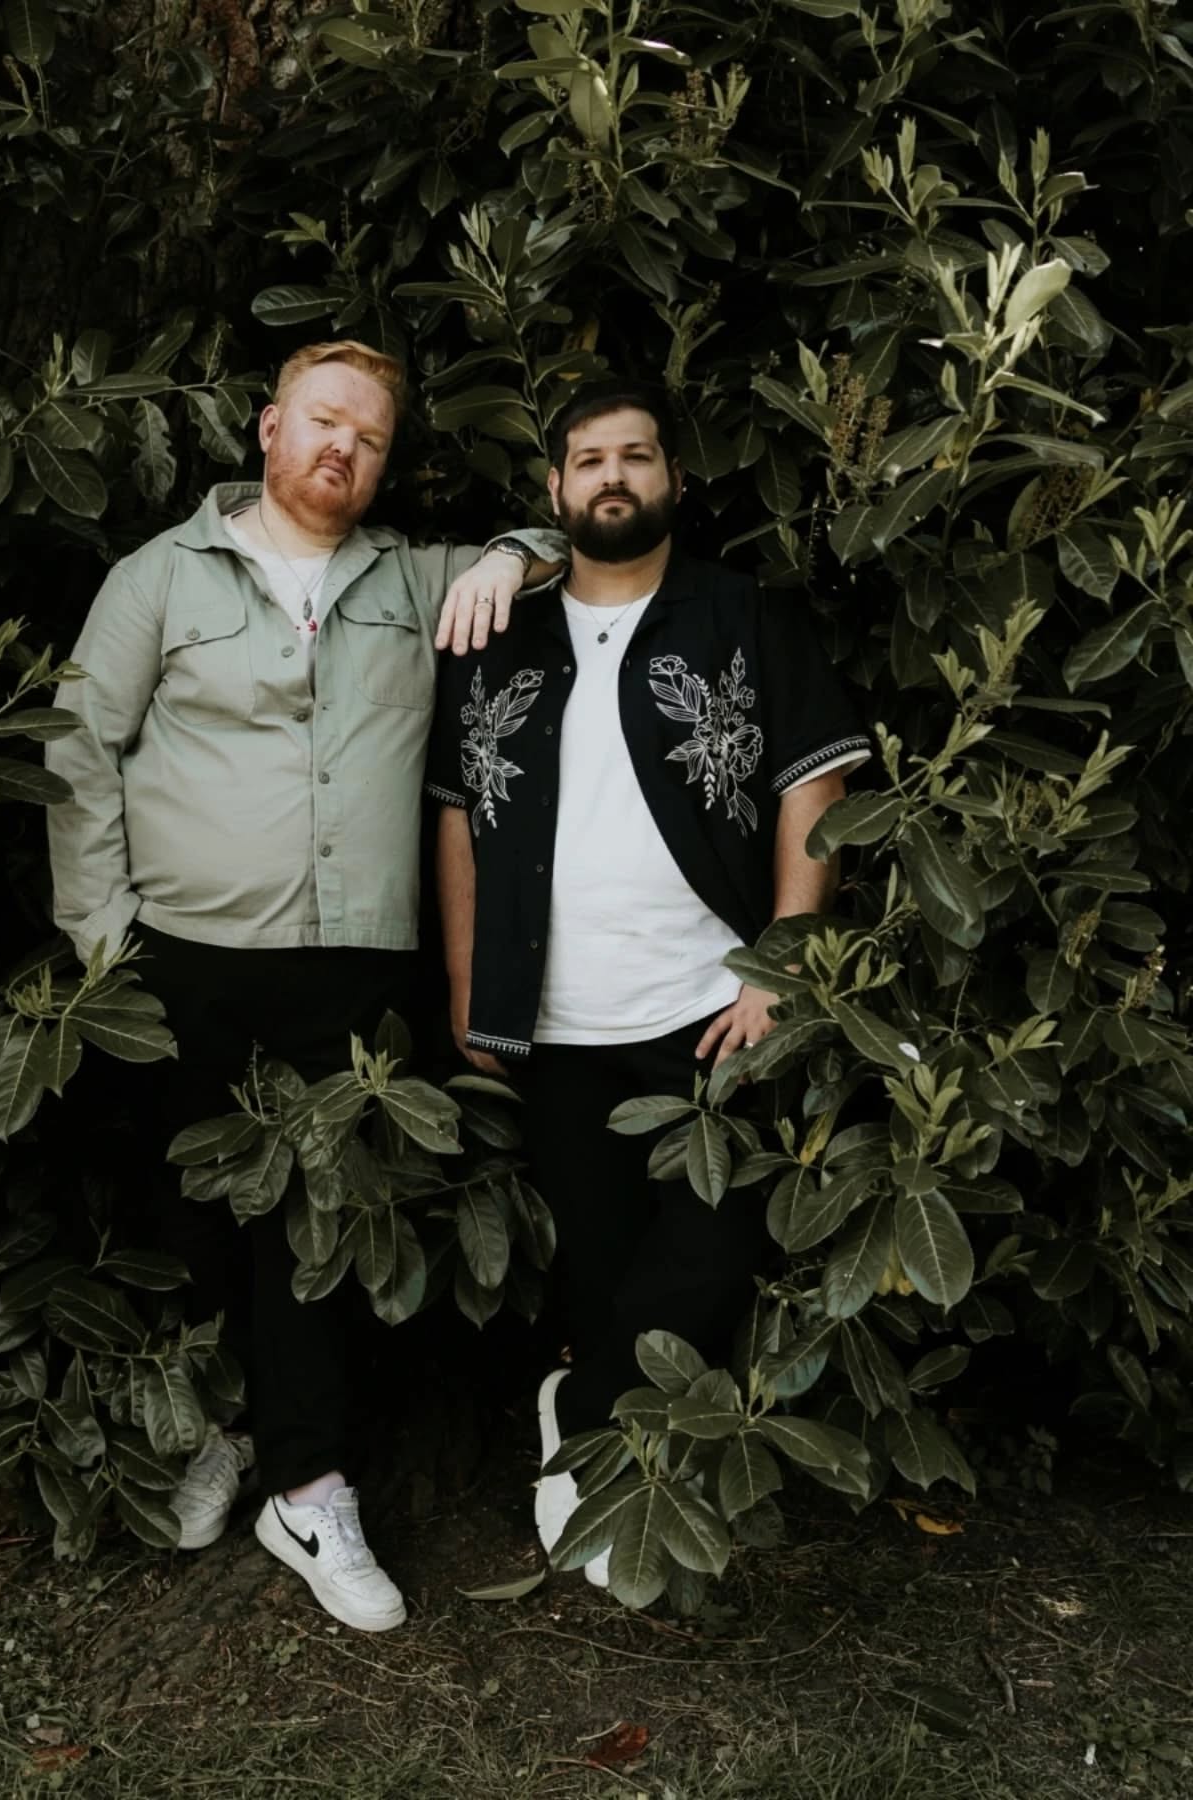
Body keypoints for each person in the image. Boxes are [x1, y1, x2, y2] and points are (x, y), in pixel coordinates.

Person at [46, 339, 565, 1632]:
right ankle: (217, 1434)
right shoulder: (156, 579)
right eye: (325, 421)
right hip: (182, 961)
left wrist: (510, 556)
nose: (344, 447)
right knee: (192, 1221)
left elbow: (565, 539)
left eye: (372, 437)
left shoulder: (420, 576)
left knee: (322, 1227)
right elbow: (76, 754)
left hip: (354, 966)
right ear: (270, 429)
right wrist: (105, 945)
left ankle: (313, 1485)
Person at [428, 378, 870, 1587]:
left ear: (673, 478)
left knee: (716, 1247)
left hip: (710, 1004)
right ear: (557, 489)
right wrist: (473, 982)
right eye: (587, 460)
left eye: (635, 456)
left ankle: (581, 1427)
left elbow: (811, 790)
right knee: (607, 1258)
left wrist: (781, 966)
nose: (612, 476)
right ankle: (615, 1446)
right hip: (554, 1017)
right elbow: (459, 817)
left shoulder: (743, 615)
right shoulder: (497, 638)